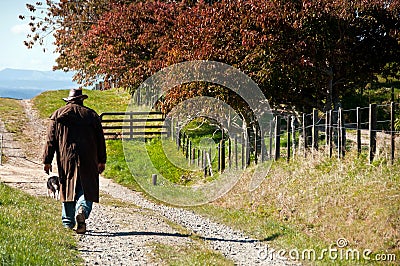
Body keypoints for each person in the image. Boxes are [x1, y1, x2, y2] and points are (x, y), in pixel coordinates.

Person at [42, 88, 106, 234]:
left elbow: (50, 141)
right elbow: (100, 140)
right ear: (82, 100)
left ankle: (67, 224)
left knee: (67, 189)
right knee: (86, 188)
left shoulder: (57, 115)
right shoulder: (92, 115)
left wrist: (47, 161)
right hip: (89, 159)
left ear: (69, 101)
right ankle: (82, 210)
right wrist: (102, 160)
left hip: (66, 159)